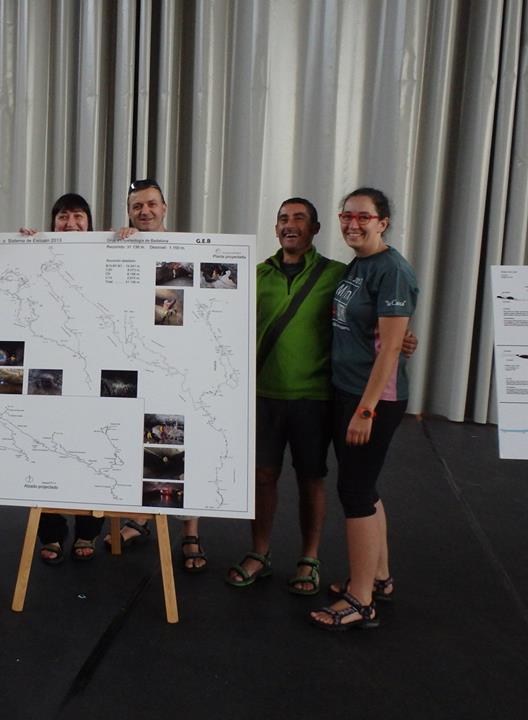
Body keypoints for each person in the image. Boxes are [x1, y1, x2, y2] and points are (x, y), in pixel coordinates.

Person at [310, 187, 418, 630]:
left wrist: (366, 409)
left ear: (383, 222)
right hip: (349, 390)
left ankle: (360, 600)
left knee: (354, 492)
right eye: (346, 216)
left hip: (370, 398)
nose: (353, 224)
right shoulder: (361, 263)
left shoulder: (391, 270)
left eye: (363, 217)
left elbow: (392, 349)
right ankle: (378, 576)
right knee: (365, 488)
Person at [226, 198, 346, 593]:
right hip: (262, 394)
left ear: (315, 228)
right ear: (276, 229)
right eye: (282, 219)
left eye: (299, 218)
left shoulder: (337, 276)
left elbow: (368, 321)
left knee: (312, 478)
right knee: (262, 477)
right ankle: (259, 553)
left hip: (314, 397)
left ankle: (308, 558)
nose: (289, 224)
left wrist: (401, 339)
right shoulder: (255, 273)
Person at [107, 178, 207, 573]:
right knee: (142, 443)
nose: (144, 212)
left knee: (183, 447)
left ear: (165, 208)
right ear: (129, 212)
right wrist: (116, 245)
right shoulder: (122, 244)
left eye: (151, 204)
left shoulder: (189, 250)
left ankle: (191, 533)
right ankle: (141, 517)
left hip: (182, 364)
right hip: (135, 362)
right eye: (136, 207)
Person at [21, 193, 105, 564]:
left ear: (90, 223)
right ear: (53, 222)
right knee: (46, 448)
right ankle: (52, 532)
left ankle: (88, 531)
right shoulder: (36, 253)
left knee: (92, 447)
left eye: (78, 217)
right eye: (63, 217)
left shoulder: (109, 254)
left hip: (94, 369)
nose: (70, 224)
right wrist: (2, 245)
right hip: (46, 371)